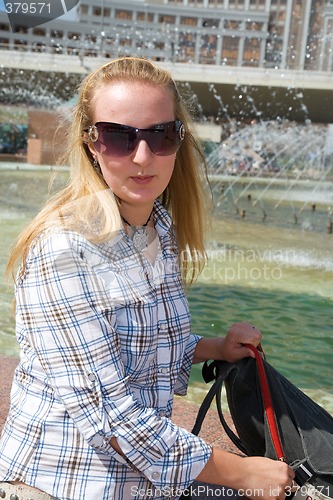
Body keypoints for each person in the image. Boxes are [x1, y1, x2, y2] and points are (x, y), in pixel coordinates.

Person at [0, 57, 294, 500]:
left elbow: (142, 350)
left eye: (160, 135)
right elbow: (110, 419)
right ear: (91, 143)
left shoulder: (158, 227)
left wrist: (214, 348)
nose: (142, 156)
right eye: (119, 137)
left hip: (141, 481)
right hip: (64, 482)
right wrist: (245, 474)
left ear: (178, 139)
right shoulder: (62, 247)